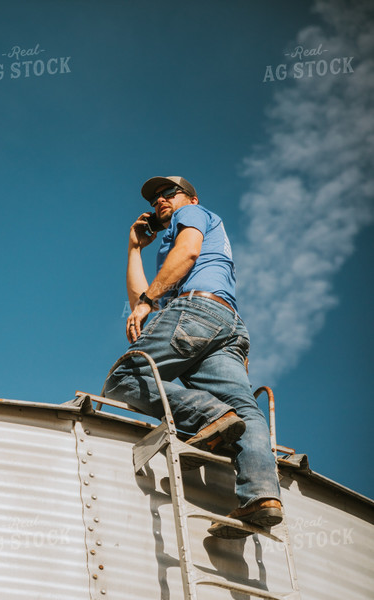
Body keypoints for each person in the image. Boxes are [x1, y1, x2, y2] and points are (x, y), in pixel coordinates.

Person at [103, 175, 282, 538]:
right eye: (155, 199)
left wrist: (147, 303)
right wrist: (134, 249)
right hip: (223, 325)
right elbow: (146, 294)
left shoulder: (195, 216)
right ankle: (262, 495)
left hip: (196, 312)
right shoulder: (167, 244)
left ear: (192, 198)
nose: (160, 201)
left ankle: (211, 416)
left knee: (123, 380)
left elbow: (186, 255)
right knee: (244, 407)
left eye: (169, 193)